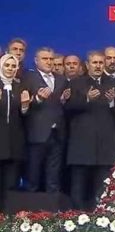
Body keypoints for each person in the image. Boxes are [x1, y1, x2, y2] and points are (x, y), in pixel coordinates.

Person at [65, 51, 115, 209]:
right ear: (87, 65)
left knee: (102, 188)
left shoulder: (112, 83)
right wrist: (87, 99)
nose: (98, 66)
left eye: (101, 63)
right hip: (82, 145)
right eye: (94, 63)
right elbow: (68, 108)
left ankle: (100, 217)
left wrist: (112, 102)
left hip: (104, 146)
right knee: (78, 187)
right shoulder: (76, 83)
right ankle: (77, 217)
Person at [22, 47, 69, 192]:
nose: (49, 62)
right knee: (33, 175)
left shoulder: (61, 79)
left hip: (57, 133)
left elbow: (62, 105)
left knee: (53, 175)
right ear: (36, 61)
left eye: (51, 59)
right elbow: (23, 105)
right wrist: (38, 99)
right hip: (37, 133)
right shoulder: (28, 78)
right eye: (45, 59)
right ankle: (30, 205)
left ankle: (52, 205)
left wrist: (64, 101)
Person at [0, 54, 29, 208]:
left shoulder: (20, 87)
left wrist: (25, 106)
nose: (10, 69)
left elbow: (25, 116)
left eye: (13, 66)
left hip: (14, 143)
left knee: (11, 184)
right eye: (7, 65)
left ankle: (7, 218)